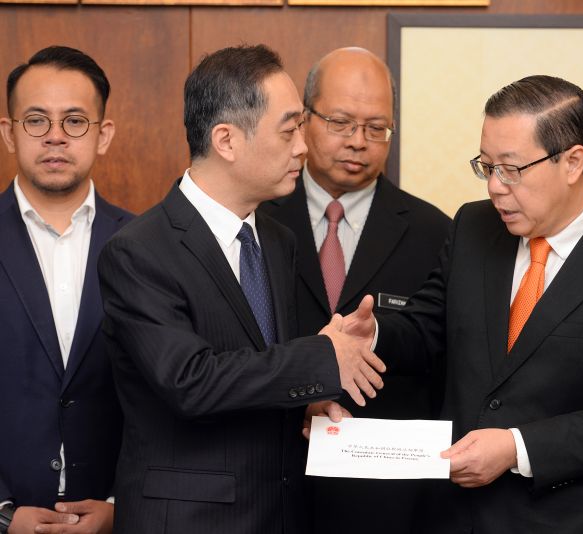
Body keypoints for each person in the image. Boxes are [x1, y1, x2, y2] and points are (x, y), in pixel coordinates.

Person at [343, 74, 583, 533]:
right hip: (454, 515)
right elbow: (428, 328)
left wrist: (517, 448)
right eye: (485, 165)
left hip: (573, 519)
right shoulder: (473, 227)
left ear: (573, 161)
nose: (494, 187)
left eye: (511, 169)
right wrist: (372, 335)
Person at [96, 44, 385, 534]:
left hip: (280, 511)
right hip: (190, 519)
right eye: (290, 129)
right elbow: (191, 382)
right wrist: (322, 356)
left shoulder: (277, 239)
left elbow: (263, 368)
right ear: (226, 140)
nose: (303, 147)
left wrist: (310, 398)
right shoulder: (138, 252)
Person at [259, 46, 451, 534]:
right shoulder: (255, 219)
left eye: (376, 128)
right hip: (269, 480)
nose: (358, 142)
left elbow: (446, 361)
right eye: (341, 123)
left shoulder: (437, 232)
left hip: (388, 497)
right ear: (304, 120)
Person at [0, 46, 130, 534]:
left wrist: (122, 504)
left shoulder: (149, 246)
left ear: (104, 135)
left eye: (75, 121)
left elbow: (164, 396)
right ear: (10, 134)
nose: (55, 136)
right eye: (36, 121)